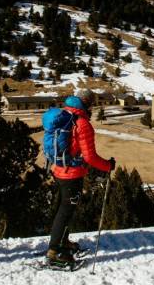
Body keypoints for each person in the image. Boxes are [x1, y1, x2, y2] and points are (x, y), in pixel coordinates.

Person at [46, 89, 115, 267]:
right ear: (88, 104)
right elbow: (90, 157)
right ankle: (54, 252)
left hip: (58, 170)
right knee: (66, 211)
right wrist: (108, 165)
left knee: (63, 208)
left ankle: (63, 242)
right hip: (72, 174)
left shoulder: (66, 114)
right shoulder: (82, 123)